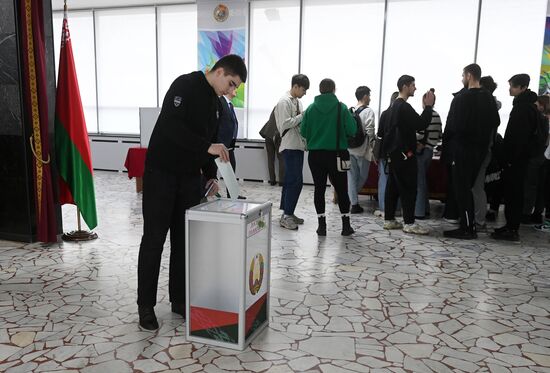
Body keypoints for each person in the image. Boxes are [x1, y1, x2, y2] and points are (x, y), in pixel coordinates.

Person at [137, 55, 247, 330]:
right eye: (231, 84)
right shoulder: (184, 85)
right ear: (220, 71)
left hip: (188, 178)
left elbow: (205, 145)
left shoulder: (216, 104)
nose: (232, 92)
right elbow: (172, 128)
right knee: (154, 239)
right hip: (161, 174)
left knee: (183, 241)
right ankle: (145, 306)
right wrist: (207, 148)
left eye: (235, 88)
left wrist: (211, 176)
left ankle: (179, 299)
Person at [443, 64, 500, 240]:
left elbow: (452, 127)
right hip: (480, 151)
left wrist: (448, 149)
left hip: (462, 150)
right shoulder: (489, 98)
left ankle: (467, 227)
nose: (462, 79)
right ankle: (470, 225)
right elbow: (495, 122)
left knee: (462, 190)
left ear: (469, 75)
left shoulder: (461, 98)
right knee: (471, 187)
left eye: (463, 75)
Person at [300, 78, 356, 236]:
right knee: (341, 189)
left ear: (320, 90)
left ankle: (321, 226)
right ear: (333, 90)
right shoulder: (341, 108)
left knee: (319, 189)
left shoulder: (311, 109)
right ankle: (346, 226)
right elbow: (352, 130)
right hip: (337, 155)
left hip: (316, 156)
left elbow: (303, 131)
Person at [381, 75, 434, 235]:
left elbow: (381, 132)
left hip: (392, 155)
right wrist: (428, 107)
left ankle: (389, 219)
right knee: (409, 188)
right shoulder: (404, 107)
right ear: (405, 86)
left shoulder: (388, 109)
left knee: (392, 187)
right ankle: (409, 223)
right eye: (413, 85)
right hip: (405, 155)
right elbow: (420, 124)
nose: (415, 88)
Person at [492, 74, 539, 241]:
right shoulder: (526, 105)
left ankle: (512, 228)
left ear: (522, 87)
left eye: (512, 86)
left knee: (514, 193)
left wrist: (510, 158)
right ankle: (510, 226)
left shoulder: (523, 107)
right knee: (513, 193)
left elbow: (519, 137)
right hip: (519, 158)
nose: (510, 89)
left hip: (517, 159)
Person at [276, 74, 310, 230]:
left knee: (291, 181)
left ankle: (288, 212)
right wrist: (302, 116)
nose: (304, 93)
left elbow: (300, 124)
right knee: (295, 182)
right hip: (289, 146)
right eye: (303, 89)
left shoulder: (298, 102)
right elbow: (284, 124)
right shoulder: (284, 102)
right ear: (295, 86)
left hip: (298, 145)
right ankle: (287, 215)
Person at [521, 95, 549, 224]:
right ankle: (537, 213)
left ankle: (526, 213)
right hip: (545, 157)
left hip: (539, 155)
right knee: (541, 186)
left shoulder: (542, 119)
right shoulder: (544, 119)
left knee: (531, 185)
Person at [414, 90, 442, 219]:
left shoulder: (426, 115)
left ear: (426, 101)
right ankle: (425, 209)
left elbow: (419, 134)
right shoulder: (437, 116)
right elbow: (439, 135)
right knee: (423, 181)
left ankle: (418, 212)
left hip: (422, 151)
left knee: (419, 182)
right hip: (430, 151)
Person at [348, 86, 375, 214]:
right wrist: (373, 147)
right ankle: (353, 201)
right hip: (362, 150)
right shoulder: (369, 112)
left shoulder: (350, 110)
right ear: (365, 96)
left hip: (349, 148)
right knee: (362, 177)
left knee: (352, 177)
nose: (370, 98)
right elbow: (370, 130)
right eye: (369, 95)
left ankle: (353, 202)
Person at [374, 91, 399, 218]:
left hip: (384, 152)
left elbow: (380, 134)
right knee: (397, 180)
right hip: (399, 153)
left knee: (383, 180)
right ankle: (396, 208)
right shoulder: (402, 114)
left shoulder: (384, 114)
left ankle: (384, 208)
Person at [217, 87, 245, 199]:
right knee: (212, 171)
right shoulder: (220, 103)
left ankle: (233, 194)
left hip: (229, 145)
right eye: (234, 88)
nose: (236, 90)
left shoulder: (230, 105)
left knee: (231, 170)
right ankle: (203, 193)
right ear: (227, 89)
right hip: (220, 145)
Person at [259, 108, 284, 186]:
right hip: (278, 136)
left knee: (270, 159)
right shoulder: (284, 110)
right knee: (281, 159)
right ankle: (282, 181)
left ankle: (272, 180)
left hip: (268, 135)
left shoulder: (275, 110)